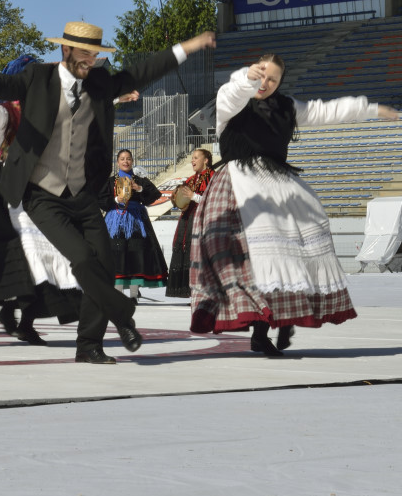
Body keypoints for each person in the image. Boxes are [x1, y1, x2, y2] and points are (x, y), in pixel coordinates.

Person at [0, 21, 215, 363]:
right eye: (85, 52)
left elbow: (144, 71)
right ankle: (123, 317)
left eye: (95, 53)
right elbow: (0, 84)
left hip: (83, 194)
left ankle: (88, 345)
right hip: (41, 193)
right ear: (65, 50)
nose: (91, 59)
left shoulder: (99, 84)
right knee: (82, 259)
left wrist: (189, 45)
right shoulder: (38, 77)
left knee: (105, 264)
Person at [190, 56, 399, 356]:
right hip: (240, 186)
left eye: (272, 80)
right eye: (262, 76)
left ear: (280, 83)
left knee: (301, 245)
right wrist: (246, 77)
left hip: (280, 186)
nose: (265, 84)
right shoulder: (232, 101)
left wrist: (371, 109)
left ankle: (275, 325)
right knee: (254, 259)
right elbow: (234, 91)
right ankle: (261, 329)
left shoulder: (287, 107)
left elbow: (327, 111)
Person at [0, 79, 81, 344]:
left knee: (50, 257)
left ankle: (21, 318)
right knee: (31, 255)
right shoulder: (8, 113)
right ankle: (17, 315)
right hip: (12, 189)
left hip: (43, 185)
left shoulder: (51, 112)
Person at [99, 148, 168, 302]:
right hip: (115, 222)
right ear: (117, 162)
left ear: (132, 161)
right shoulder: (110, 182)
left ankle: (133, 295)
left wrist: (140, 189)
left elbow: (155, 195)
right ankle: (117, 293)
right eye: (122, 158)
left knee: (136, 255)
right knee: (116, 255)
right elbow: (100, 199)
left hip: (136, 222)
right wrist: (115, 200)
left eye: (128, 158)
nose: (125, 161)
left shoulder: (139, 180)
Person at [164, 148, 213, 299]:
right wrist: (176, 200)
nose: (192, 160)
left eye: (196, 158)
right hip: (187, 220)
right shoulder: (190, 179)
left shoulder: (213, 177)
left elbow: (213, 200)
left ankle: (202, 291)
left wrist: (193, 196)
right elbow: (183, 202)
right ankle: (189, 291)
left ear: (206, 160)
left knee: (198, 253)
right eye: (192, 158)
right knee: (186, 251)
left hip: (202, 219)